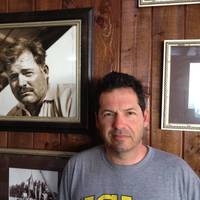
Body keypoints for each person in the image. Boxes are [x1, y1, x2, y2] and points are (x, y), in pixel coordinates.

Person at [59, 71, 200, 200]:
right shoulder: (77, 168)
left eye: (130, 113)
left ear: (145, 118)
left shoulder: (178, 173)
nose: (119, 124)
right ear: (97, 121)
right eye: (108, 114)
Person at [0, 38, 76, 117]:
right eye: (13, 77)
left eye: (28, 73)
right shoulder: (12, 116)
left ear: (45, 71)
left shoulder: (73, 98)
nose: (21, 83)